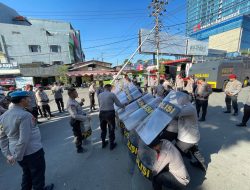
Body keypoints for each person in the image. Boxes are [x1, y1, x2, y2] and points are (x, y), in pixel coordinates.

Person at [0, 91, 54, 190]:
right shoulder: (25, 115)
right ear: (22, 100)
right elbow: (23, 139)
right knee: (37, 174)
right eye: (27, 98)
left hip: (16, 151)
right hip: (31, 151)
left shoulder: (3, 117)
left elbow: (2, 138)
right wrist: (16, 156)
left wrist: (7, 154)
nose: (30, 100)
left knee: (27, 173)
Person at [176, 92, 206, 171]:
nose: (177, 99)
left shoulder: (189, 108)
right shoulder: (184, 106)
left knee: (175, 151)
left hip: (188, 138)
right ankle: (202, 164)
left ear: (184, 98)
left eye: (179, 97)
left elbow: (174, 113)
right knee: (194, 150)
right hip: (188, 135)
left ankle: (179, 171)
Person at [98, 84, 124, 150]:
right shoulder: (112, 94)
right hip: (110, 113)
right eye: (111, 88)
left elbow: (99, 104)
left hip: (102, 113)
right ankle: (111, 144)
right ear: (109, 88)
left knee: (103, 129)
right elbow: (118, 104)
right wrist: (124, 105)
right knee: (111, 129)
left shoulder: (100, 95)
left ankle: (103, 143)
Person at [67, 88, 90, 153]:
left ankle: (84, 141)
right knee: (77, 135)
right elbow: (75, 115)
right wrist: (86, 117)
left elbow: (77, 107)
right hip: (75, 121)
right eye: (75, 92)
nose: (77, 93)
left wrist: (81, 102)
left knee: (82, 132)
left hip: (79, 120)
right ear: (71, 94)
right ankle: (79, 148)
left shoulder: (73, 100)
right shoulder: (70, 103)